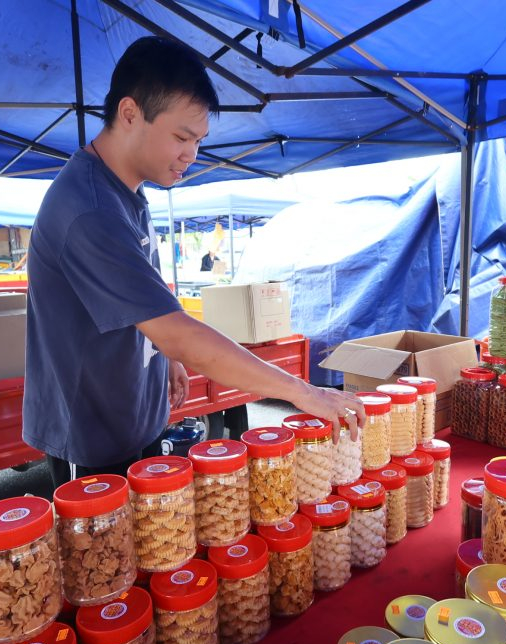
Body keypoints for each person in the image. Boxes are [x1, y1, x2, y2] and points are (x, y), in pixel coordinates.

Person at [23, 36, 364, 488]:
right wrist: (301, 391)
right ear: (129, 114)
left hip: (130, 414)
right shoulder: (89, 209)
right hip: (88, 433)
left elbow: (146, 297)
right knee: (107, 554)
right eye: (181, 137)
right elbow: (178, 332)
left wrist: (165, 356)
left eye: (199, 140)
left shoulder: (127, 191)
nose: (192, 154)